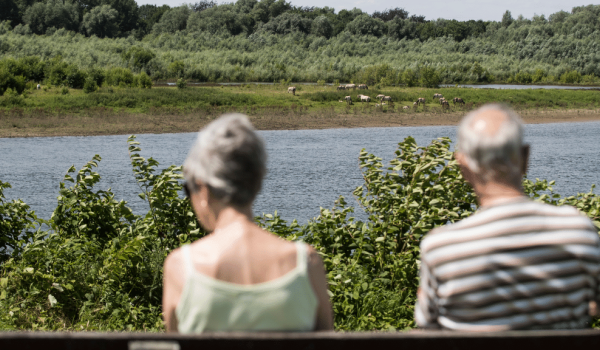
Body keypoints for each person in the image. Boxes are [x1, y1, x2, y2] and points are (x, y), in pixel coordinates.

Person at [415, 104, 600, 331]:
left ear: (462, 166)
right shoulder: (578, 231)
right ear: (525, 157)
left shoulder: (441, 249)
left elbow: (427, 326)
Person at [162, 113, 334, 333]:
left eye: (189, 190)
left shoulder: (182, 267)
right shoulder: (306, 264)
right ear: (257, 181)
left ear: (203, 190)